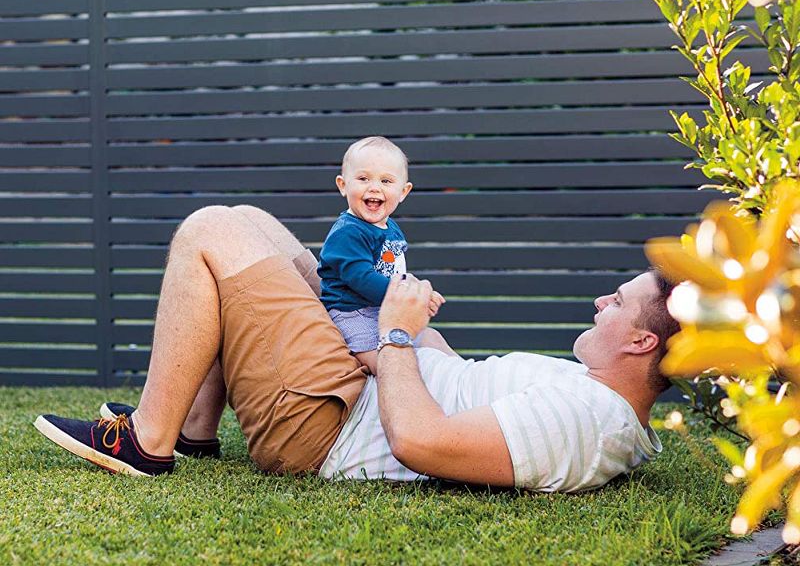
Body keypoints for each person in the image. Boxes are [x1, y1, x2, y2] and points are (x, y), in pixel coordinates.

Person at [34, 204, 678, 492]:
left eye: (619, 302)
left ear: (642, 341)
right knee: (253, 222)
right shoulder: (592, 398)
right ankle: (194, 432)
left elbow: (422, 442)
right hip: (359, 379)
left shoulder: (590, 423)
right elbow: (459, 391)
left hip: (330, 424)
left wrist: (395, 334)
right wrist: (411, 325)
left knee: (211, 230)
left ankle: (146, 443)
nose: (602, 301)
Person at [318, 136, 452, 373]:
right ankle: (395, 384)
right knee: (387, 363)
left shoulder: (390, 227)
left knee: (431, 337)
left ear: (403, 192)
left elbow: (394, 271)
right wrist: (404, 298)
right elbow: (362, 278)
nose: (374, 187)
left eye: (386, 181)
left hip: (384, 309)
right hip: (353, 313)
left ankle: (464, 374)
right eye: (363, 179)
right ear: (343, 185)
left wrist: (418, 295)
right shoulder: (348, 233)